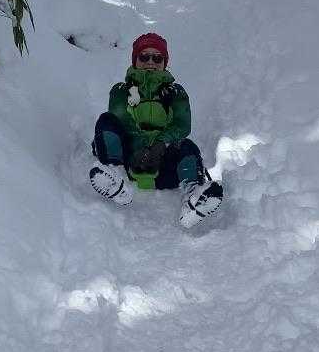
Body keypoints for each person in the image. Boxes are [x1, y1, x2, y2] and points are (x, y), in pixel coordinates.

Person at [89, 32, 223, 227]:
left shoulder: (176, 92)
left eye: (157, 58)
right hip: (129, 162)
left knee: (187, 146)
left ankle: (193, 196)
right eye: (144, 57)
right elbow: (121, 119)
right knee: (106, 121)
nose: (150, 62)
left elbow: (182, 125)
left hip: (163, 165)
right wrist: (140, 148)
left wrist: (159, 145)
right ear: (135, 60)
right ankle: (114, 177)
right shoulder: (121, 91)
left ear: (164, 62)